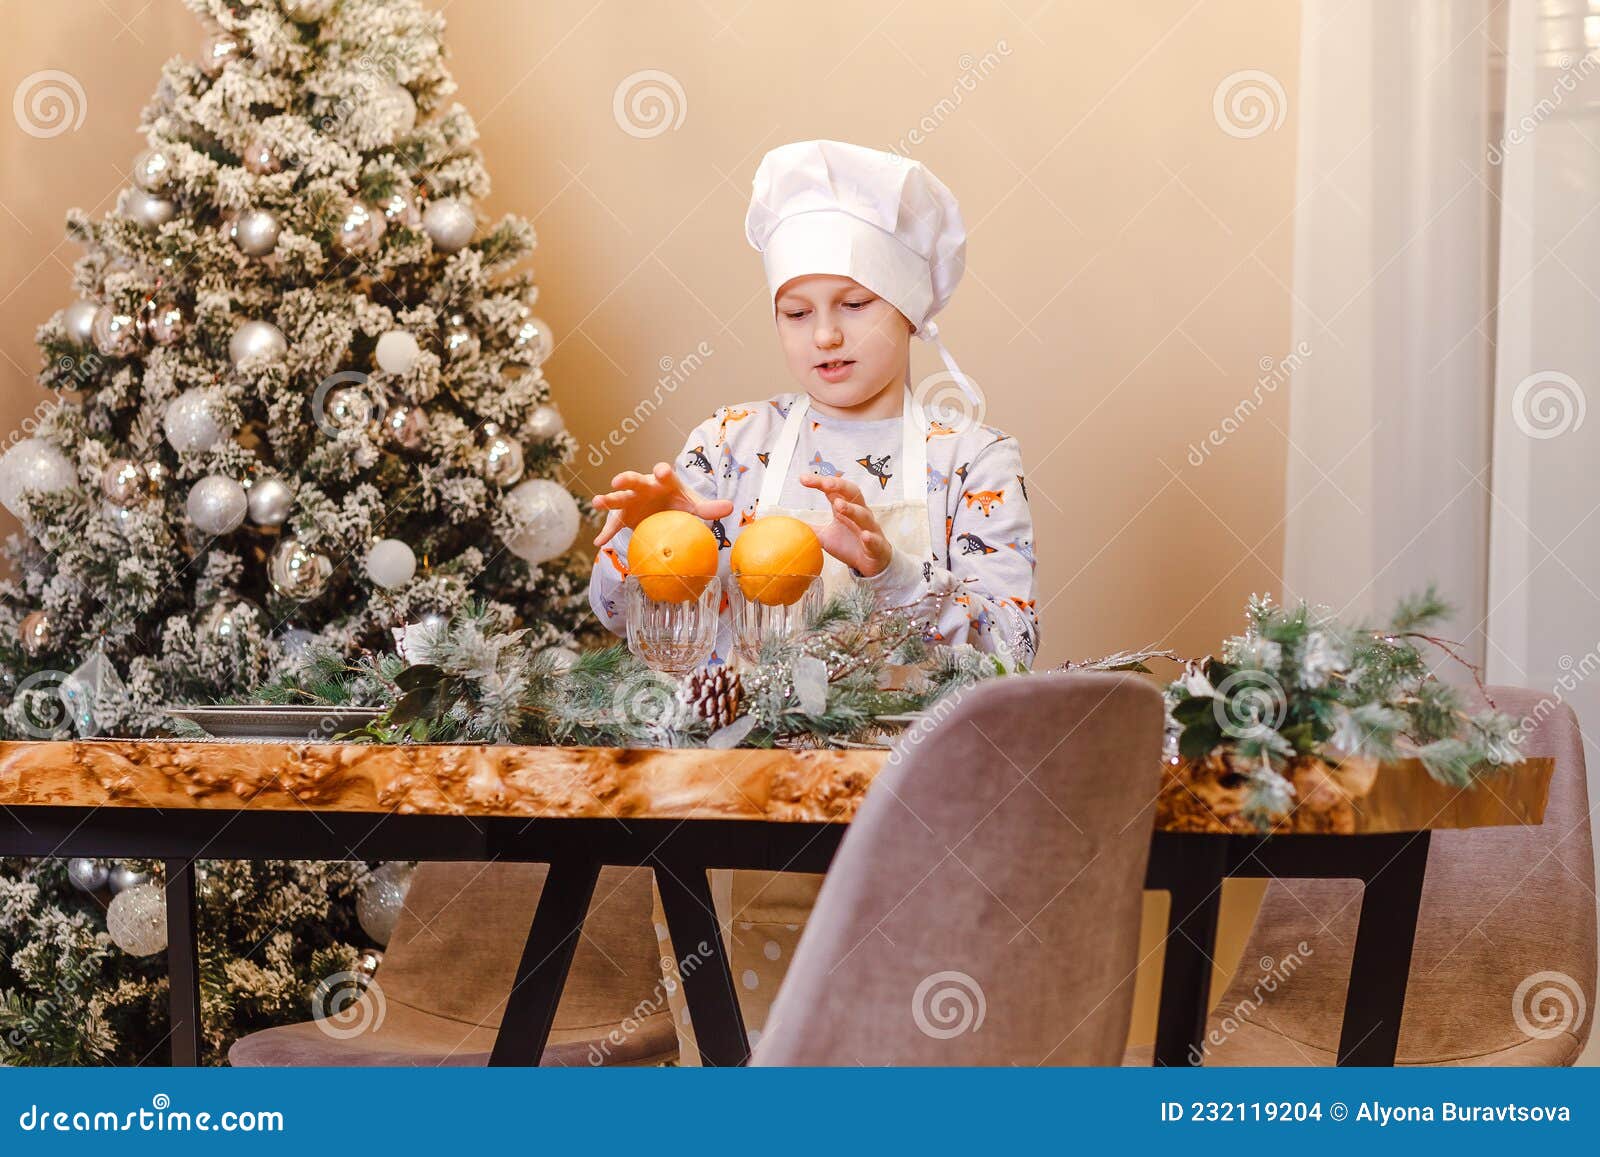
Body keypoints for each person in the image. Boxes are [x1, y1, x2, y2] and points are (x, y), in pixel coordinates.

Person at [586, 139, 1039, 1059]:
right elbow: (628, 626)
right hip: (728, 830)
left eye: (853, 305)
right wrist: (638, 549)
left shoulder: (972, 462)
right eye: (796, 311)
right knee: (743, 1070)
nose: (823, 336)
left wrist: (888, 570)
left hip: (911, 836)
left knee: (895, 1075)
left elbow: (1009, 652)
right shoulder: (730, 446)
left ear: (907, 307)